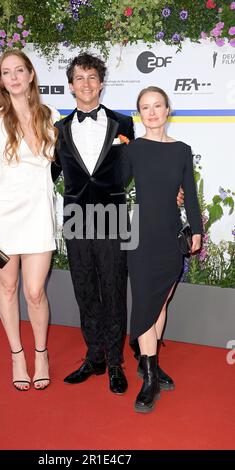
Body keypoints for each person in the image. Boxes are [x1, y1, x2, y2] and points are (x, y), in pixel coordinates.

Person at [0, 50, 60, 391]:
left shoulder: (49, 114)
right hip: (5, 218)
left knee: (34, 291)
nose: (13, 77)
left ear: (30, 74)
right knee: (8, 288)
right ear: (1, 80)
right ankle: (17, 356)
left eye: (19, 70)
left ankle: (42, 353)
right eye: (6, 72)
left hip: (39, 214)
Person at [51, 53, 135, 394]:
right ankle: (95, 355)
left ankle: (115, 362)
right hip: (75, 215)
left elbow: (137, 167)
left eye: (91, 77)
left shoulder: (124, 124)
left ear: (101, 83)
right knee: (84, 287)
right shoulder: (57, 129)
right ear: (71, 86)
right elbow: (48, 175)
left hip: (114, 214)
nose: (86, 83)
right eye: (79, 78)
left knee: (114, 288)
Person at [122, 86, 202, 412]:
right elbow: (112, 187)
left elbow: (191, 196)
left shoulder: (182, 150)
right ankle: (150, 379)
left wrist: (196, 229)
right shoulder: (133, 150)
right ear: (139, 114)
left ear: (168, 110)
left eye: (158, 106)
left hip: (171, 236)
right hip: (139, 235)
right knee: (145, 303)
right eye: (145, 107)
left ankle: (147, 362)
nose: (152, 112)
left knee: (160, 304)